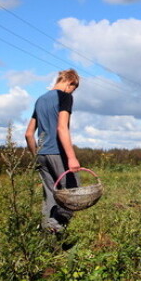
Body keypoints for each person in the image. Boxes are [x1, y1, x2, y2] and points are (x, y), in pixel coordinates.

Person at [25, 69, 81, 233]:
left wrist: (36, 156)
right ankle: (58, 229)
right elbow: (61, 127)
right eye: (74, 89)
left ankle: (47, 231)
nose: (72, 92)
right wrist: (71, 157)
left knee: (50, 193)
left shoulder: (40, 100)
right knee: (73, 193)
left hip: (41, 153)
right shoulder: (65, 97)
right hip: (58, 153)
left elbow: (28, 134)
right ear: (70, 83)